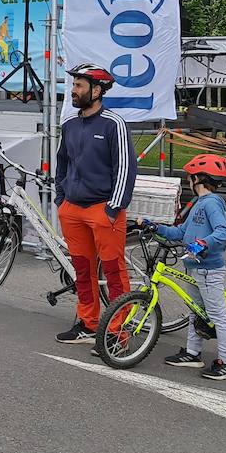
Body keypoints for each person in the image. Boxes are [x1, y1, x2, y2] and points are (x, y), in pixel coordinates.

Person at [54, 63, 136, 344]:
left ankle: (117, 332)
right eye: (74, 85)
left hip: (104, 210)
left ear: (97, 90)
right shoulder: (70, 124)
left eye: (79, 86)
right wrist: (61, 199)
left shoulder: (114, 124)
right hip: (73, 210)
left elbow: (125, 168)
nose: (74, 91)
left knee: (114, 273)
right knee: (82, 270)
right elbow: (62, 163)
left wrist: (113, 208)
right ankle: (89, 324)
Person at [139, 153, 226, 381]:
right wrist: (157, 227)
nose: (188, 181)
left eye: (190, 177)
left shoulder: (211, 203)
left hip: (209, 268)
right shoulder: (199, 204)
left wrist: (203, 243)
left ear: (199, 179)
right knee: (195, 309)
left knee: (216, 314)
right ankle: (193, 353)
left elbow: (222, 232)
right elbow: (181, 233)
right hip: (194, 266)